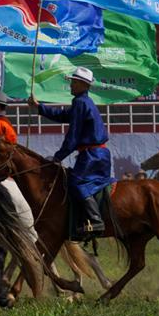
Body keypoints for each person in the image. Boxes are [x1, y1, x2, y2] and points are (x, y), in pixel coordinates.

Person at [28, 67, 111, 239]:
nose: (71, 85)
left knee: (75, 182)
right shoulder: (82, 102)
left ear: (82, 84)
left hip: (92, 156)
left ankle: (95, 220)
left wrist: (58, 158)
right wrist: (39, 108)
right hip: (96, 154)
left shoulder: (81, 103)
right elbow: (64, 115)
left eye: (73, 82)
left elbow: (72, 137)